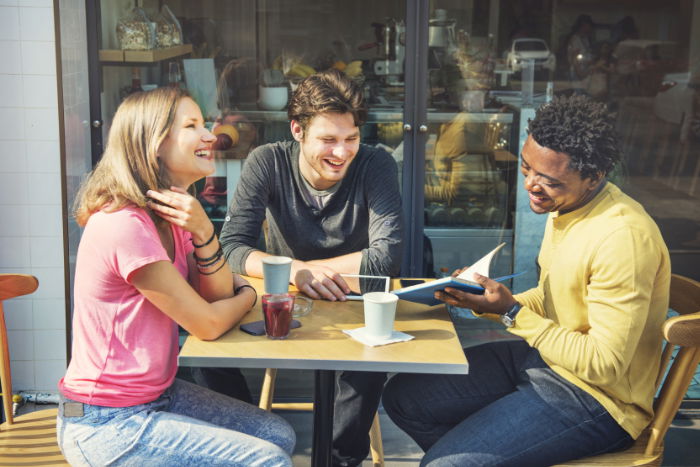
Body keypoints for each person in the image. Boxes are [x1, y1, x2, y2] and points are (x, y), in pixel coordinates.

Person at [382, 94, 671, 466]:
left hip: (599, 400)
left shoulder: (623, 238)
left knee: (444, 465)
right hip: (546, 361)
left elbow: (604, 364)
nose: (531, 184)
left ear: (593, 177)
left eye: (549, 180)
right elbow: (557, 299)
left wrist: (512, 312)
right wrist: (484, 300)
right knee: (405, 398)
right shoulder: (568, 205)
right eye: (525, 168)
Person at [56, 87, 295, 466]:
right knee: (266, 459)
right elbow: (208, 323)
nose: (210, 135)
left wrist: (203, 232)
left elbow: (214, 299)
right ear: (154, 144)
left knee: (278, 434)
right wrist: (248, 295)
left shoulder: (171, 214)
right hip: (105, 422)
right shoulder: (124, 225)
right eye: (192, 125)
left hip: (156, 396)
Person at [194, 68, 403, 466]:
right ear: (297, 130)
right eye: (328, 139)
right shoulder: (267, 162)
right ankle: (251, 444)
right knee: (209, 351)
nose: (341, 153)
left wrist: (306, 268)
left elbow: (385, 257)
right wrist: (296, 271)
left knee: (368, 364)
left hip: (353, 301)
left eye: (351, 139)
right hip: (286, 305)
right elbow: (232, 247)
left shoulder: (375, 165)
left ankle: (342, 460)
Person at [565, 14, 595, 93]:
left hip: (585, 71)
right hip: (578, 72)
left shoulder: (585, 39)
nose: (589, 28)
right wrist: (580, 74)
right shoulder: (575, 39)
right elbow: (575, 59)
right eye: (588, 25)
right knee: (579, 95)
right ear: (583, 25)